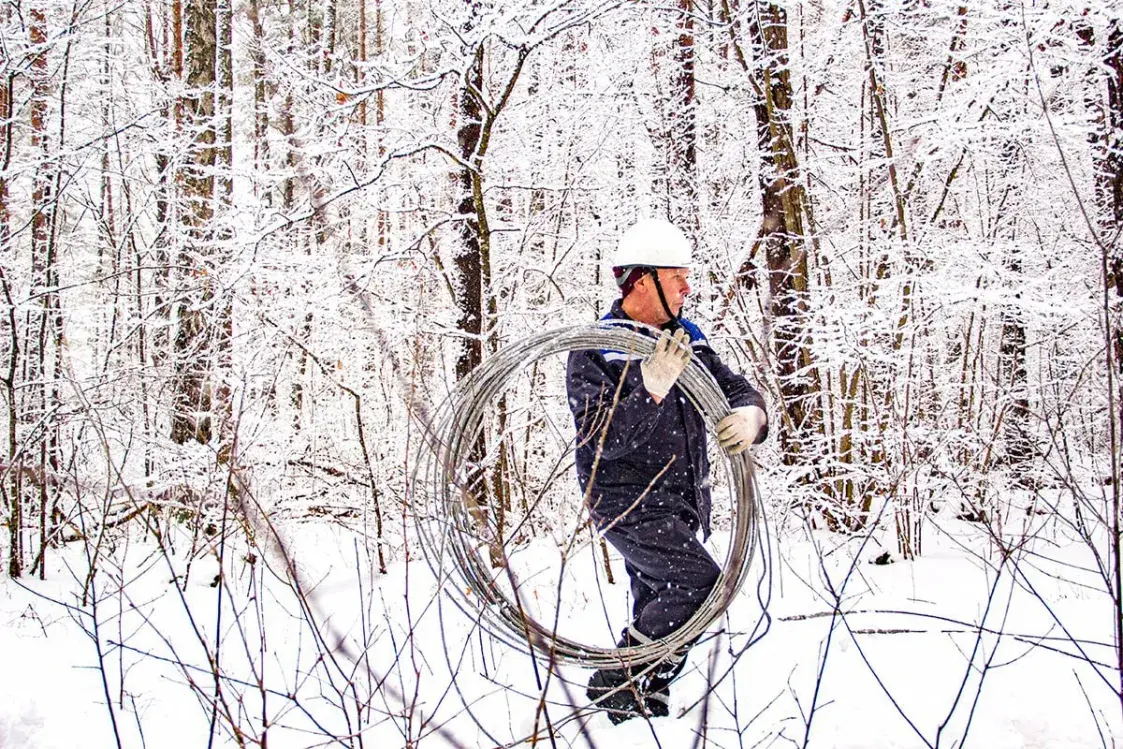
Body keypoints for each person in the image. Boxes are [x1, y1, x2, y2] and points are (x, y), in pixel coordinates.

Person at [566, 217, 768, 723]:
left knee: (659, 600)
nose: (687, 288)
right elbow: (601, 439)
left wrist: (751, 415)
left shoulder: (688, 340)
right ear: (641, 281)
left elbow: (733, 388)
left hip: (683, 497)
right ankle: (618, 678)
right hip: (625, 498)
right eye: (677, 278)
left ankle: (638, 710)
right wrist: (650, 386)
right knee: (698, 585)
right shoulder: (597, 346)